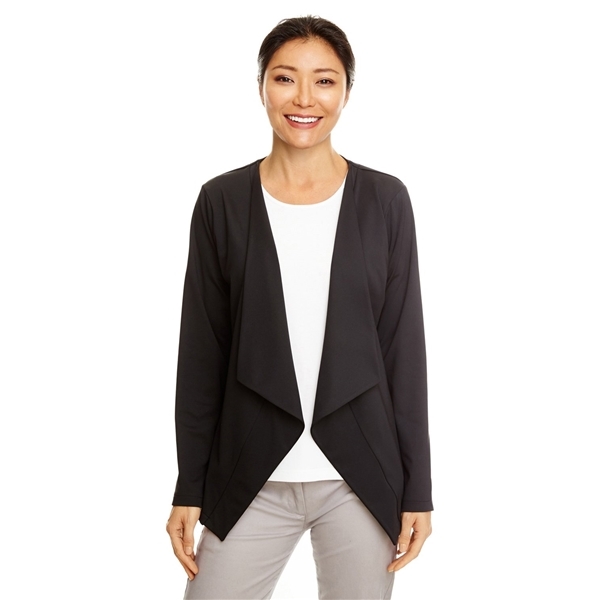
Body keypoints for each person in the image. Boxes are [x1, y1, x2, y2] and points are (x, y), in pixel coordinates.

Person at [166, 15, 433, 600]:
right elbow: (202, 354)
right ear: (262, 86)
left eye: (325, 81)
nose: (304, 99)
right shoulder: (221, 202)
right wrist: (190, 485)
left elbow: (402, 350)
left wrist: (419, 489)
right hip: (250, 474)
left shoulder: (385, 200)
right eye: (285, 78)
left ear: (346, 91)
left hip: (359, 477)